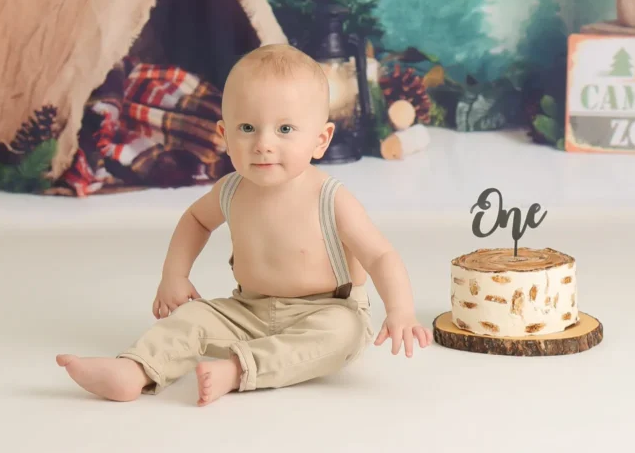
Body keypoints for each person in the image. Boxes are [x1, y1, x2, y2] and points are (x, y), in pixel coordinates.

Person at [57, 43, 431, 405]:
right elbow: (195, 220)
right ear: (224, 136)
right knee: (193, 318)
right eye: (248, 128)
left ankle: (238, 371)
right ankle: (136, 370)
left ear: (321, 140)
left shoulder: (331, 199)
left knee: (342, 335)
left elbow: (380, 255)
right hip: (246, 310)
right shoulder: (231, 189)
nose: (263, 144)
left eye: (285, 130)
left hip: (324, 310)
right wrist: (175, 274)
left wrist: (400, 309)